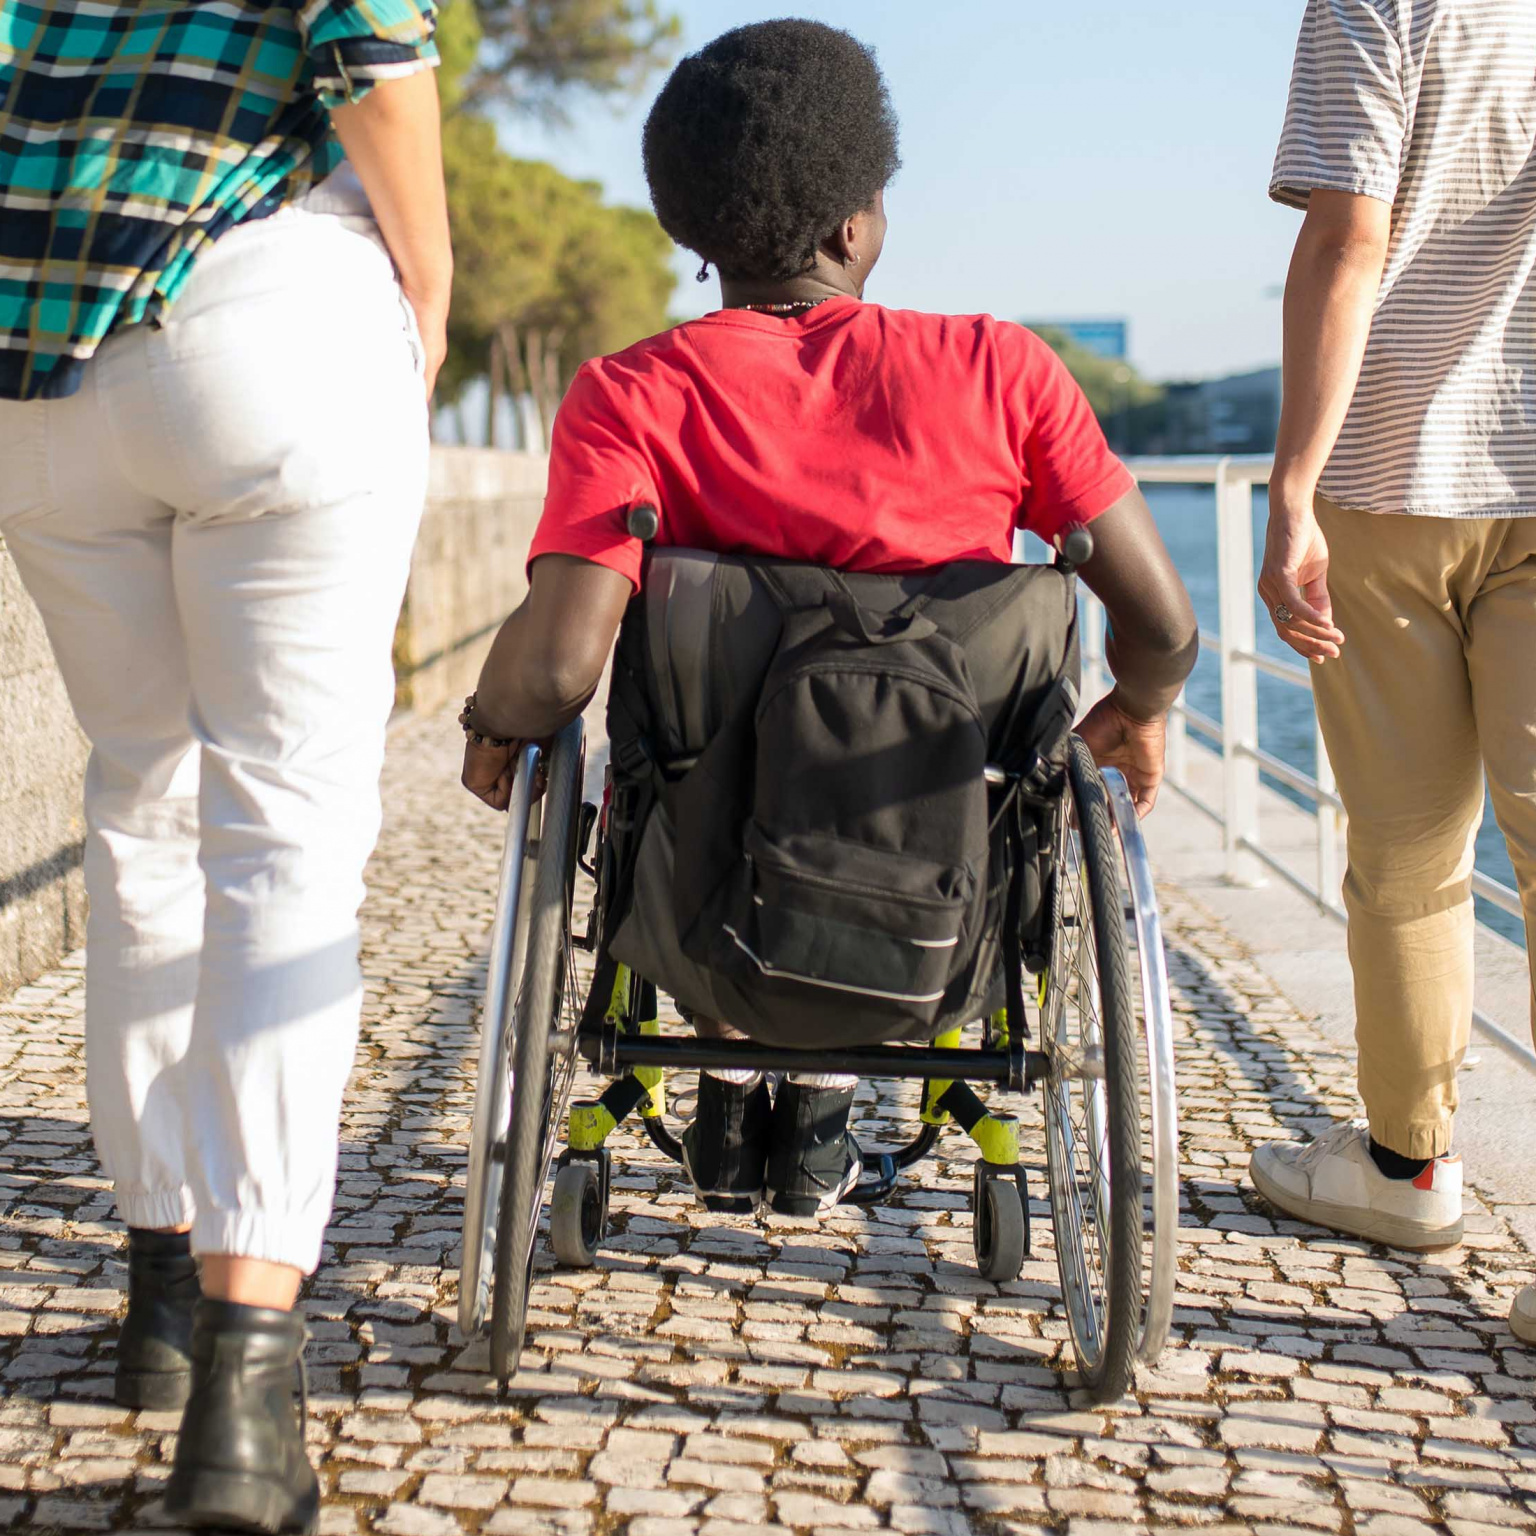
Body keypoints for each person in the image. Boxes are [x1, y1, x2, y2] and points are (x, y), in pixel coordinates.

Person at [460, 19, 1197, 1218]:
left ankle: (734, 1070)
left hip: (699, 902)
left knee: (707, 768)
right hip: (942, 890)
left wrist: (494, 726)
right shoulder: (1004, 372)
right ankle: (827, 1091)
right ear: (857, 224)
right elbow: (1162, 630)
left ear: (690, 232)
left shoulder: (630, 393)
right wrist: (1144, 709)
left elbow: (555, 667)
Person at [0, 2, 450, 1527]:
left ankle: (160, 1301)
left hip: (40, 382)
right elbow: (374, 44)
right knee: (284, 832)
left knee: (143, 800)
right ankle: (247, 1386)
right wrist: (429, 287)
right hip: (266, 309)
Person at [1250, 0, 1536, 1313]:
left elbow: (1348, 235)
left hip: (1391, 475)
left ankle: (1409, 1168)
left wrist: (1289, 489)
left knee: (1413, 854)